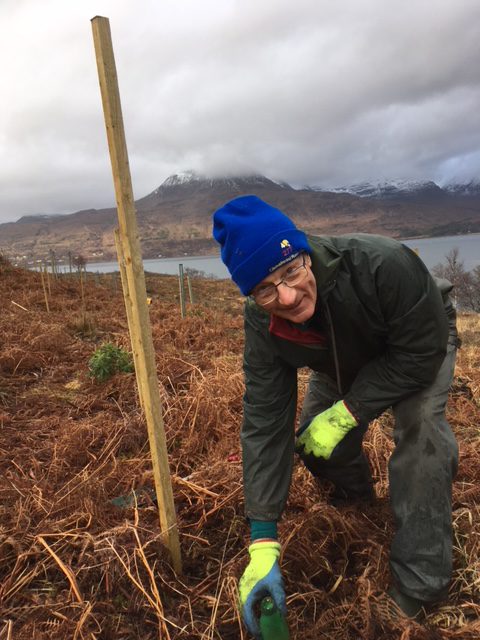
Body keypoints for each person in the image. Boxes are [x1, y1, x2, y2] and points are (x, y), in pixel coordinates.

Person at [212, 194, 459, 638]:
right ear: (251, 295)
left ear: (305, 252)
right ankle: (360, 503)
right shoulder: (262, 323)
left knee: (421, 434)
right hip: (339, 359)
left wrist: (350, 409)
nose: (286, 295)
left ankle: (419, 587)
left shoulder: (381, 263)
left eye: (291, 271)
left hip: (418, 342)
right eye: (266, 289)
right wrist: (263, 540)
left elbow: (421, 350)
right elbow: (266, 422)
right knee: (315, 442)